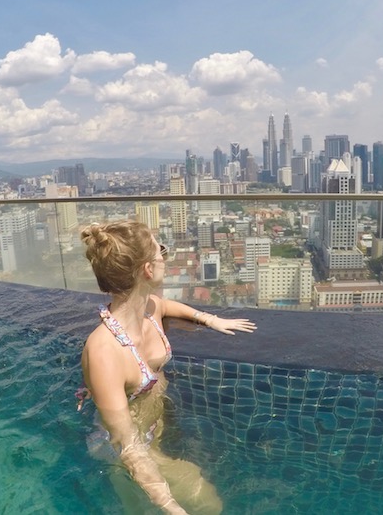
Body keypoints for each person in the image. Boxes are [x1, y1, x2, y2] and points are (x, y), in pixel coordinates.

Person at [78, 220, 256, 514]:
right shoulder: (104, 352)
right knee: (206, 503)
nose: (165, 256)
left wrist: (209, 319)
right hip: (125, 449)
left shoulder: (148, 308)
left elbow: (168, 307)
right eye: (161, 250)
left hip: (153, 428)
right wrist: (171, 506)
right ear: (148, 270)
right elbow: (126, 443)